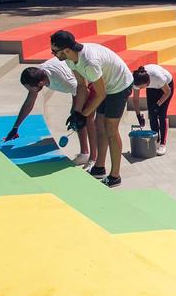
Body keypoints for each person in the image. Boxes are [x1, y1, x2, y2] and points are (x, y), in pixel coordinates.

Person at [51, 30, 133, 188]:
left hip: (119, 85)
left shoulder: (90, 63)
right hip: (105, 85)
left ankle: (115, 176)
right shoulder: (69, 58)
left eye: (55, 51)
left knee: (110, 128)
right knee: (98, 125)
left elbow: (100, 94)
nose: (53, 54)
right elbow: (82, 86)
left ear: (66, 49)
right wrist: (76, 111)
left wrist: (84, 114)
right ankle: (99, 167)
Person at [4, 60, 97, 166]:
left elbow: (84, 91)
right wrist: (15, 128)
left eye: (30, 89)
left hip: (90, 81)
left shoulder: (63, 81)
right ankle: (84, 154)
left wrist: (76, 112)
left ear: (40, 83)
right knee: (76, 114)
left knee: (86, 117)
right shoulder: (38, 75)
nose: (30, 91)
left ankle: (93, 159)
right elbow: (29, 103)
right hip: (77, 81)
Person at [131, 64, 173, 156]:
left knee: (162, 114)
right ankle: (156, 139)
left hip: (166, 87)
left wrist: (158, 104)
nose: (140, 89)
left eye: (141, 87)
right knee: (152, 114)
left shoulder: (157, 77)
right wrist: (138, 115)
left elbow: (168, 92)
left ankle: (162, 144)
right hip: (152, 88)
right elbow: (135, 99)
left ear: (146, 82)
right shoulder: (137, 80)